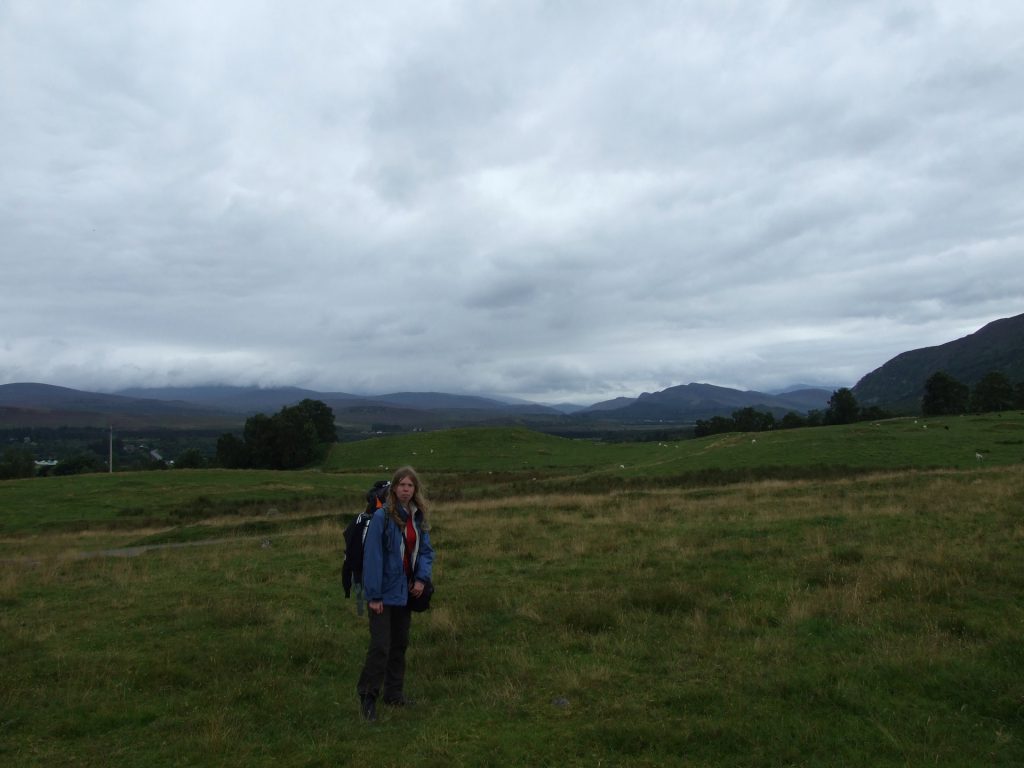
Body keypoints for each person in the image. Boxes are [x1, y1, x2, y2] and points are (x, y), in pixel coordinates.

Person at [356, 466, 434, 721]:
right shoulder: (382, 517)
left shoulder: (417, 516)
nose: (406, 490)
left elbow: (425, 551)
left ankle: (394, 694)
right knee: (381, 646)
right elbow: (373, 558)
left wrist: (421, 579)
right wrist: (374, 596)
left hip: (406, 592)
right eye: (401, 485)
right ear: (394, 488)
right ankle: (368, 698)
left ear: (415, 489)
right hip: (383, 594)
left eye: (410, 486)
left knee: (399, 644)